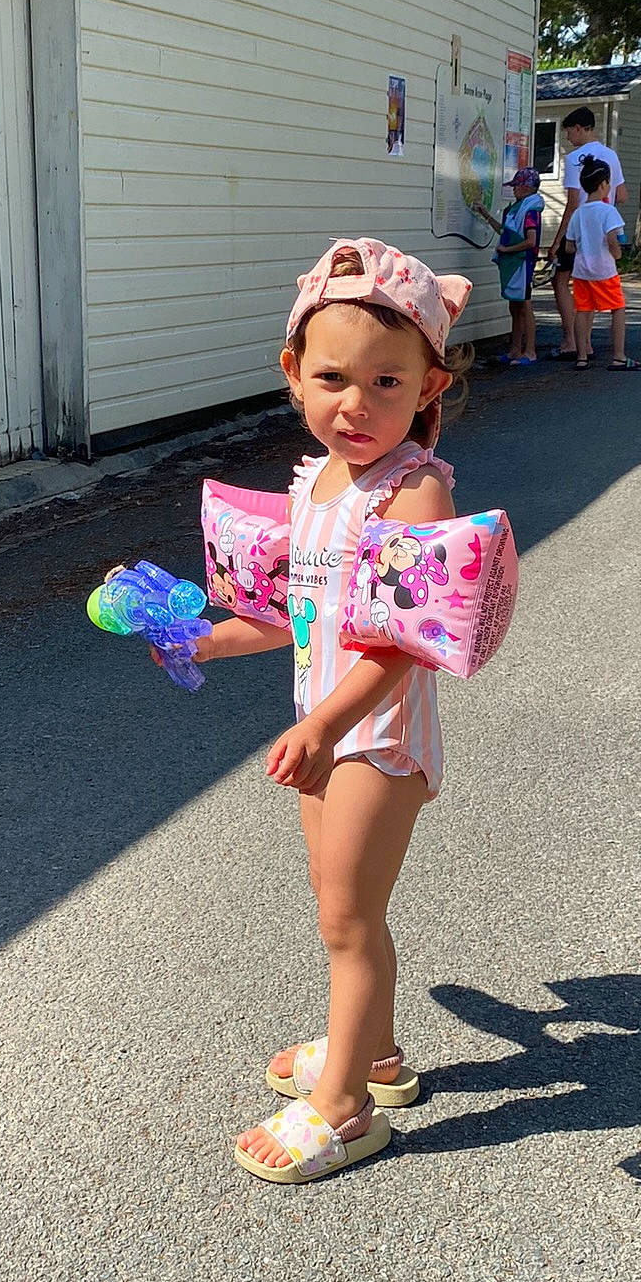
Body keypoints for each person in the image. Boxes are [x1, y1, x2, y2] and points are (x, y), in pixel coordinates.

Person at [177, 239, 473, 1185]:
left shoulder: (414, 490)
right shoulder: (317, 484)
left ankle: (346, 1106)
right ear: (293, 374)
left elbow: (403, 641)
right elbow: (297, 614)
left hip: (376, 738)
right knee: (337, 906)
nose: (358, 404)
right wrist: (213, 641)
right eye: (334, 378)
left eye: (387, 383)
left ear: (428, 386)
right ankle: (371, 1055)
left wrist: (323, 727)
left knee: (350, 919)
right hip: (328, 728)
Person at [547, 107, 627, 360]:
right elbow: (622, 195)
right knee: (595, 290)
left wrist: (557, 241)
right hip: (604, 230)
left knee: (561, 281)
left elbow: (573, 202)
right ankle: (589, 343)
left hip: (580, 227)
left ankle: (571, 340)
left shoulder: (575, 159)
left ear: (579, 128)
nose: (568, 137)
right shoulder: (611, 155)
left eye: (569, 132)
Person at [563, 157, 639, 369]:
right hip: (604, 270)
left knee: (582, 310)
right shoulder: (608, 211)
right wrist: (617, 253)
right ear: (603, 184)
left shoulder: (578, 214)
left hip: (581, 270)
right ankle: (619, 356)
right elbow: (612, 238)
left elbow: (569, 246)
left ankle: (581, 357)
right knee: (618, 308)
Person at [473, 167, 544, 364]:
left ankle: (530, 351)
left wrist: (507, 249)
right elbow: (505, 231)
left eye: (516, 186)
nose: (513, 190)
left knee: (525, 305)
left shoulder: (531, 211)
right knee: (515, 306)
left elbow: (531, 241)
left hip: (523, 262)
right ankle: (515, 349)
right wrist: (486, 215)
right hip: (512, 263)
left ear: (527, 187)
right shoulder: (516, 208)